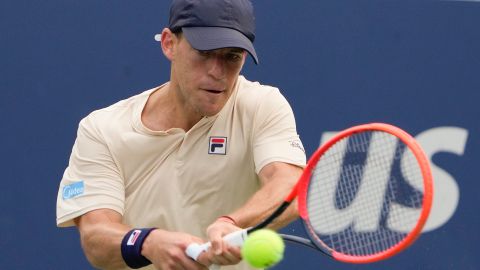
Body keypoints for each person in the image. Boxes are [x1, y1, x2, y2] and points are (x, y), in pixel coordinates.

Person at [56, 0, 306, 269]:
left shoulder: (261, 106)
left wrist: (231, 223)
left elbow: (289, 187)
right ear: (168, 43)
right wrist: (149, 243)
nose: (217, 71)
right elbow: (95, 237)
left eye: (231, 56)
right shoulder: (103, 129)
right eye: (204, 52)